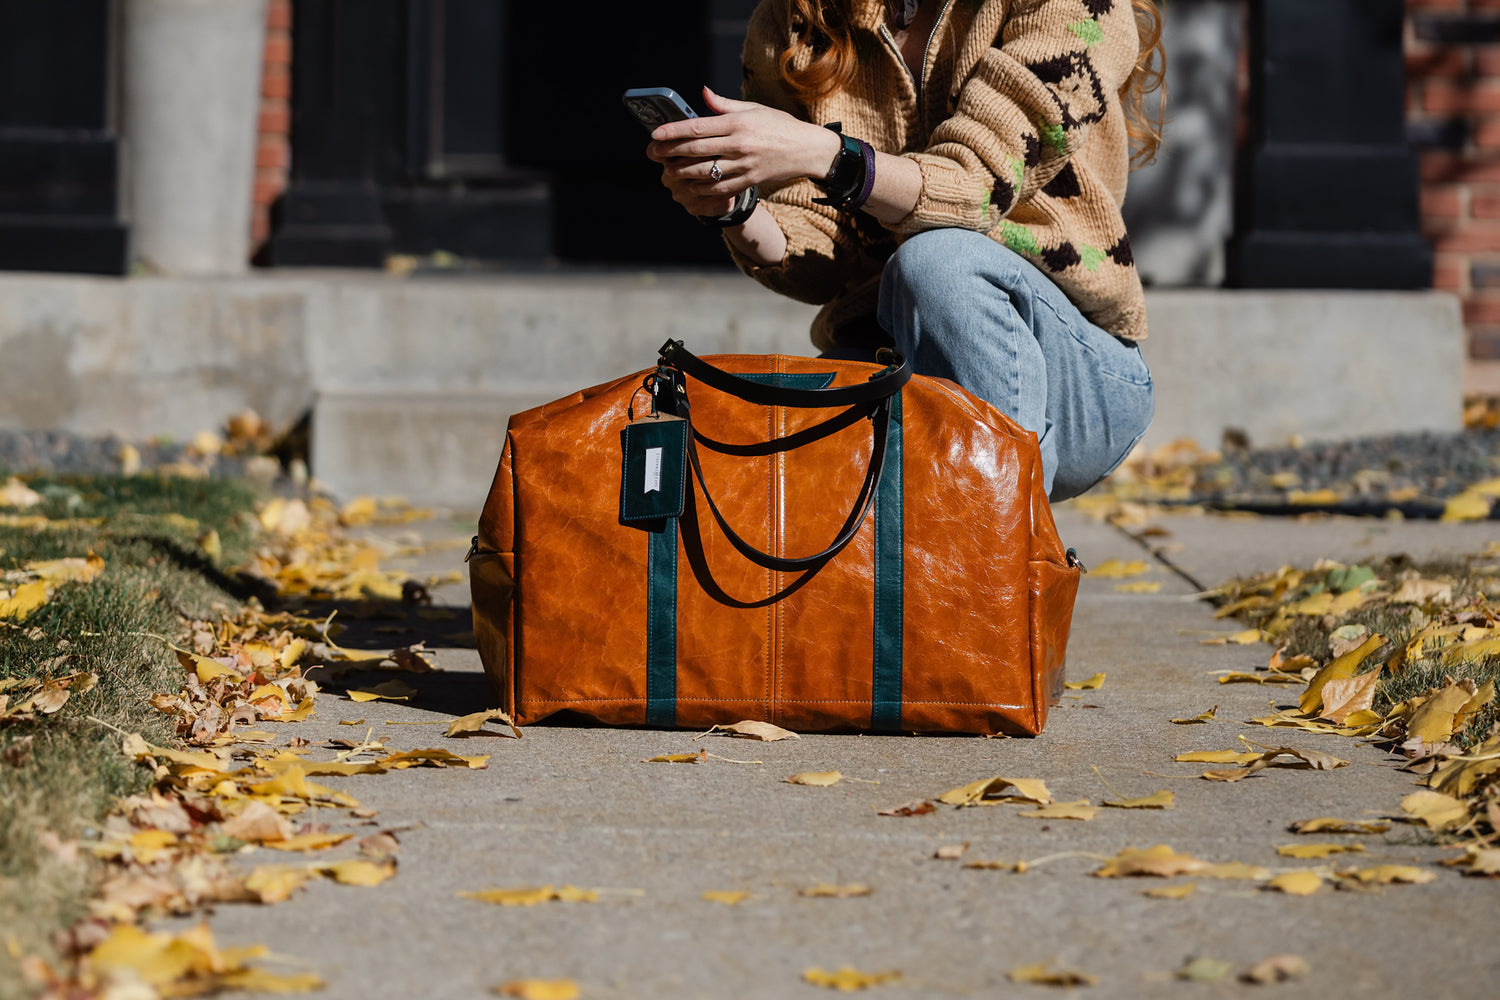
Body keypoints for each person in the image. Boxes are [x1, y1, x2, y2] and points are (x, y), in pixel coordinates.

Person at [645, 0, 1165, 502]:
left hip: (1074, 369)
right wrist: (736, 208)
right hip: (894, 346)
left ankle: (999, 563)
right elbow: (823, 256)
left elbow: (976, 186)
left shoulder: (1074, 4)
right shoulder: (797, 16)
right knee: (777, 466)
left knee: (940, 264)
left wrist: (822, 153)